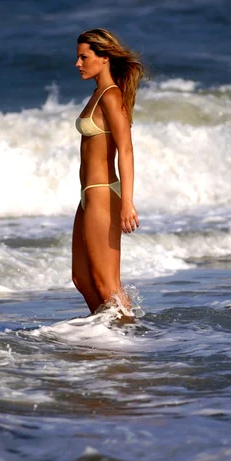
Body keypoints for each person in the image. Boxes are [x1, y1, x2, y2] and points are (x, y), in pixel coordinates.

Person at [72, 28, 145, 314]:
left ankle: (130, 342)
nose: (78, 63)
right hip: (88, 195)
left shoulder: (111, 96)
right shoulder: (97, 94)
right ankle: (105, 337)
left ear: (104, 58)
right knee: (81, 279)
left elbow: (125, 150)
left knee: (108, 285)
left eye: (83, 57)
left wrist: (127, 203)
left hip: (104, 193)